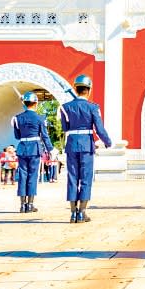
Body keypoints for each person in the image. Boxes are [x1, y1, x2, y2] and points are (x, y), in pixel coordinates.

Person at [60, 74, 112, 223]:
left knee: (72, 178)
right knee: (85, 179)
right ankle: (82, 212)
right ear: (88, 90)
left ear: (75, 89)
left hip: (71, 144)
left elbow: (65, 127)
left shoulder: (65, 108)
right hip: (87, 144)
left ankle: (72, 213)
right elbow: (99, 129)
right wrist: (108, 142)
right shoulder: (93, 107)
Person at [12, 92, 53, 213]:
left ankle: (22, 205)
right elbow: (45, 136)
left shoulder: (17, 118)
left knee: (23, 175)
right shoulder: (40, 118)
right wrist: (50, 149)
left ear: (24, 103)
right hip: (34, 148)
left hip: (23, 148)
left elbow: (17, 135)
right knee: (32, 176)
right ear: (36, 103)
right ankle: (30, 205)